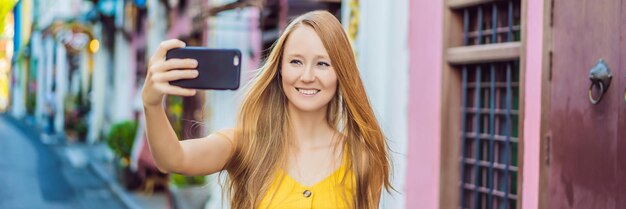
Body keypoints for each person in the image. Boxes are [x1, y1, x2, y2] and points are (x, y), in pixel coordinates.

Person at [142, 10, 392, 209]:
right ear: (280, 69)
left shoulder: (362, 158)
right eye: (296, 61)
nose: (307, 76)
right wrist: (152, 104)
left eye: (322, 64)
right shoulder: (246, 143)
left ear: (341, 73)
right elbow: (173, 159)